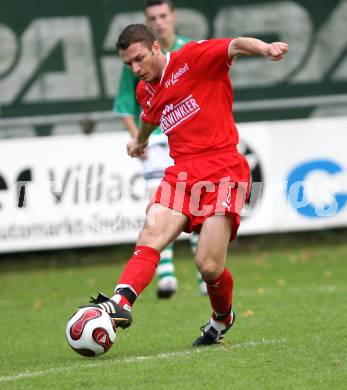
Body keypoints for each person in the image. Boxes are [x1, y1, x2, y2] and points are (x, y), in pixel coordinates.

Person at [86, 24, 288, 346]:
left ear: (155, 48)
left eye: (139, 59)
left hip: (224, 169)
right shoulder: (144, 89)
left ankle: (222, 318)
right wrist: (139, 141)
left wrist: (264, 49)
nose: (135, 69)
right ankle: (120, 303)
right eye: (128, 65)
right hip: (182, 173)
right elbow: (151, 116)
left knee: (208, 266)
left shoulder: (193, 57)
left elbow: (234, 45)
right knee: (151, 233)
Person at [114, 0, 206, 298]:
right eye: (152, 17)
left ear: (173, 17)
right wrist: (139, 140)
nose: (159, 21)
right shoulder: (136, 58)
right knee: (160, 203)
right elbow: (127, 104)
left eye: (163, 15)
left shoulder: (187, 50)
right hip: (154, 140)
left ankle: (203, 274)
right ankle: (166, 276)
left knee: (198, 200)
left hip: (188, 137)